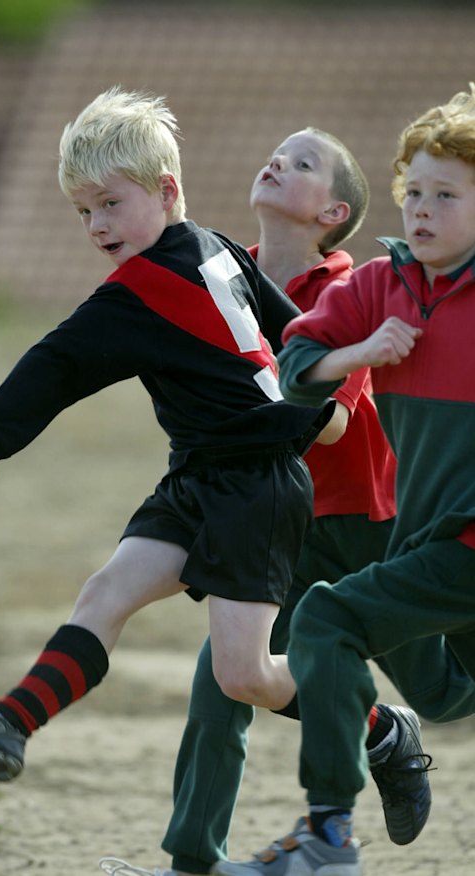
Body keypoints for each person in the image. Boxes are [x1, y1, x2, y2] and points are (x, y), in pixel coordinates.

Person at [0, 87, 335, 784]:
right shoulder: (214, 246)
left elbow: (57, 364)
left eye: (110, 202)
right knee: (105, 594)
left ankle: (378, 728)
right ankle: (8, 727)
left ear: (166, 191)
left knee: (246, 675)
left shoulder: (141, 290)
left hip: (256, 486)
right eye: (83, 210)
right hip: (199, 476)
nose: (96, 224)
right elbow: (299, 335)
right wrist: (321, 392)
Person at [100, 123, 475, 876]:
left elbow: (331, 424)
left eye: (303, 162)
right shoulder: (219, 274)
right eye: (277, 151)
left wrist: (241, 403)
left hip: (378, 525)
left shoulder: (351, 286)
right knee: (224, 677)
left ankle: (386, 736)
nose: (277, 160)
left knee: (442, 694)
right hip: (286, 523)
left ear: (333, 213)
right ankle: (193, 862)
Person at [209, 83, 475, 876]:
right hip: (427, 543)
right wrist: (360, 355)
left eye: (447, 195)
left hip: (460, 542)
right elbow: (294, 367)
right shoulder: (377, 286)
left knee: (326, 620)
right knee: (441, 696)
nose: (422, 209)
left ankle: (328, 835)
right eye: (414, 192)